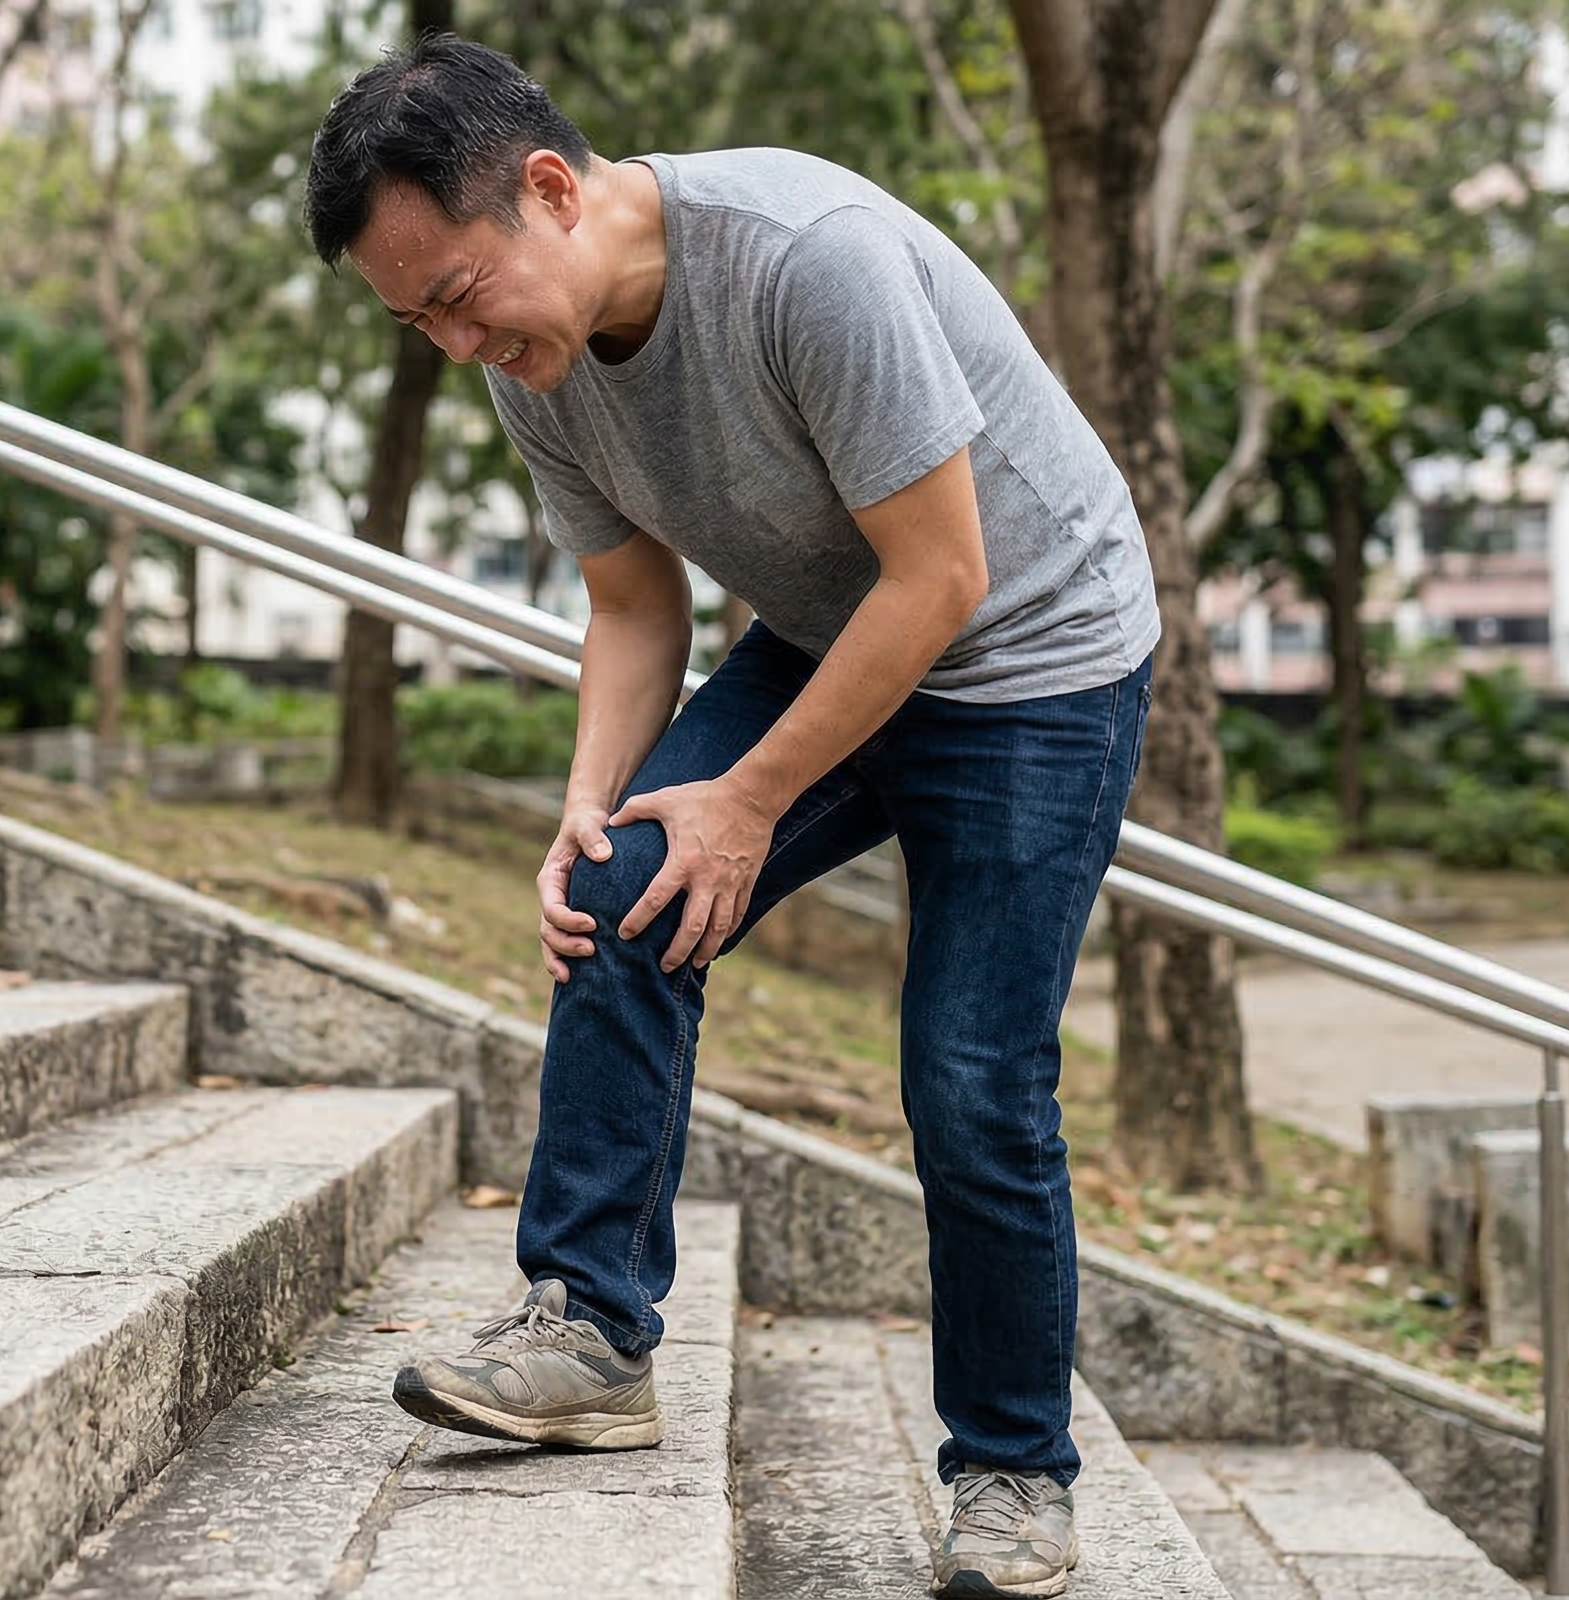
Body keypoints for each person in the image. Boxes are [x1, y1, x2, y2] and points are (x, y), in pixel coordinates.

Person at [304, 33, 1158, 1600]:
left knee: (971, 1078)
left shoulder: (803, 263)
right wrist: (591, 803)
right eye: (413, 320)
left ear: (549, 191)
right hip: (839, 623)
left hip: (1034, 654)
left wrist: (752, 801)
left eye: (454, 295)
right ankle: (593, 1331)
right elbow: (635, 605)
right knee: (627, 887)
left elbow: (946, 578)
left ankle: (1015, 1475)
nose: (450, 342)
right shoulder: (541, 360)